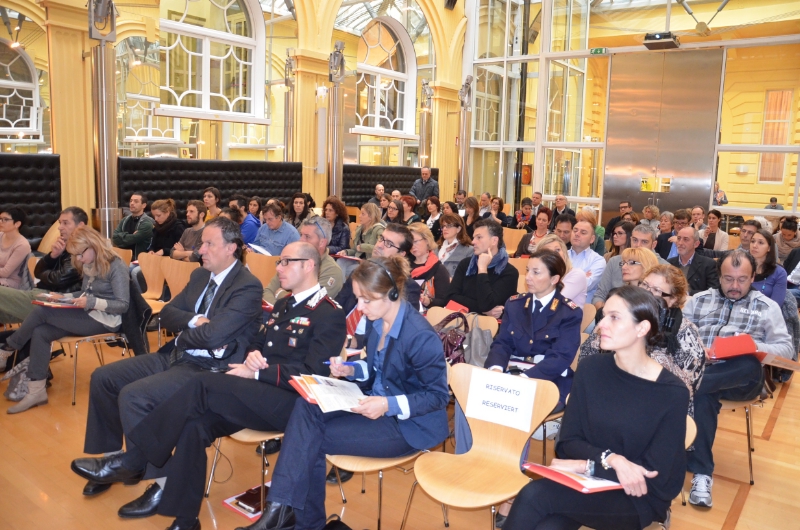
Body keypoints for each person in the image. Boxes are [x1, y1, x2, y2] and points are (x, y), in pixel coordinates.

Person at [107, 241, 347, 529]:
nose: (278, 268)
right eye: (279, 262)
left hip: (293, 406)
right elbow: (259, 341)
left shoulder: (329, 312)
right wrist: (252, 355)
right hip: (260, 397)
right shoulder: (284, 303)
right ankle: (185, 520)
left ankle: (136, 457)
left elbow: (313, 373)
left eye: (286, 262)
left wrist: (258, 373)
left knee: (202, 383)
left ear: (308, 266)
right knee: (194, 425)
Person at [234, 256, 449, 530]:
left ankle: (289, 516)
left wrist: (387, 404)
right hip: (371, 403)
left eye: (366, 300)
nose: (359, 307)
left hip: (407, 425)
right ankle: (283, 512)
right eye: (358, 298)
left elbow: (437, 397)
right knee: (306, 407)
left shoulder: (420, 336)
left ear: (393, 294)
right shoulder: (377, 321)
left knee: (308, 439)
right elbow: (377, 368)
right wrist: (351, 369)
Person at [68, 217, 262, 501]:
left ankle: (161, 481)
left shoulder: (247, 286)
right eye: (202, 243)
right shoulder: (200, 276)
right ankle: (114, 461)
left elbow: (214, 336)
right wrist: (195, 320)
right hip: (176, 355)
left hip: (208, 368)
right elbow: (168, 314)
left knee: (134, 396)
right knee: (104, 378)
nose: (200, 250)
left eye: (209, 244)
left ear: (231, 248)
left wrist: (184, 335)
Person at [503, 286, 690, 530]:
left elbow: (658, 478)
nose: (601, 325)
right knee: (547, 526)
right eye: (603, 316)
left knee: (534, 495)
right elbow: (567, 442)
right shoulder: (591, 368)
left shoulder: (671, 392)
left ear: (642, 328)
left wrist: (587, 465)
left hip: (636, 497)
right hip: (587, 482)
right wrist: (612, 460)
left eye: (615, 317)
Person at [683, 250, 793, 508]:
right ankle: (702, 473)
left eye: (742, 279)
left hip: (742, 380)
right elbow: (679, 335)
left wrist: (752, 345)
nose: (735, 285)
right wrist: (696, 348)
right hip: (704, 373)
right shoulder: (698, 300)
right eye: (728, 279)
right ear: (719, 277)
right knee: (703, 396)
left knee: (747, 363)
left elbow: (787, 349)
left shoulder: (767, 307)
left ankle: (684, 387)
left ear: (753, 277)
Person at [0, 226, 130, 413]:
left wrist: (91, 302)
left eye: (80, 254)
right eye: (76, 255)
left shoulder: (116, 265)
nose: (79, 259)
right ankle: (36, 391)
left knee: (42, 312)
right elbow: (84, 293)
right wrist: (63, 297)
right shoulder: (89, 261)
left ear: (93, 245)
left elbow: (123, 305)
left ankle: (8, 347)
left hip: (107, 320)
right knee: (41, 332)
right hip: (88, 313)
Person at [582, 265, 705, 417]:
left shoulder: (686, 332)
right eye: (645, 285)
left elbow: (687, 387)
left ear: (673, 299)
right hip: (609, 394)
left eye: (656, 290)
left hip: (659, 408)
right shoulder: (621, 318)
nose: (647, 292)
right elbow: (586, 355)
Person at [486, 249, 583, 406]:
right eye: (527, 270)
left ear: (554, 279)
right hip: (511, 371)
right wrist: (496, 369)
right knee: (472, 400)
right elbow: (502, 343)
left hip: (547, 379)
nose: (528, 277)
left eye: (536, 272)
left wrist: (525, 379)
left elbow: (560, 357)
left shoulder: (568, 312)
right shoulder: (514, 304)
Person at [0, 207, 86, 325]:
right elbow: (37, 272)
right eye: (60, 223)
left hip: (55, 299)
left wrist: (45, 274)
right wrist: (52, 256)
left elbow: (59, 279)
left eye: (65, 223)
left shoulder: (81, 250)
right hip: (40, 293)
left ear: (80, 225)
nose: (60, 227)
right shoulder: (63, 245)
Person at [438, 219, 518, 317]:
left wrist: (482, 270)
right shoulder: (466, 264)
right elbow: (450, 297)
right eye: (473, 237)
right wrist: (484, 311)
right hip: (462, 320)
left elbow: (486, 304)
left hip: (490, 325)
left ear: (494, 241)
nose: (473, 242)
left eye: (479, 237)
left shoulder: (509, 273)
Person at [263, 217, 344, 305]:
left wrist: (280, 294)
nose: (301, 240)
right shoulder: (291, 260)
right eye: (301, 235)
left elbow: (309, 304)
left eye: (307, 237)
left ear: (322, 242)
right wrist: (278, 309)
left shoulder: (332, 271)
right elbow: (268, 291)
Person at [593, 224, 667, 311]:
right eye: (635, 240)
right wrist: (606, 313)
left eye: (644, 242)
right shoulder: (614, 261)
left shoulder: (664, 268)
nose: (638, 245)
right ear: (630, 239)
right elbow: (599, 295)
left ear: (654, 244)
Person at [408, 223, 451, 311]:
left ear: (427, 240)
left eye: (415, 241)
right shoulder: (404, 266)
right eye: (410, 243)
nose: (412, 246)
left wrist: (428, 301)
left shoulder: (439, 269)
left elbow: (444, 301)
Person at [537, 234, 587, 306]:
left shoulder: (577, 275)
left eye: (557, 250)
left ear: (564, 253)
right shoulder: (540, 276)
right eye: (548, 251)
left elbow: (554, 302)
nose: (555, 254)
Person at [667, 227, 720, 295]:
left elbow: (713, 292)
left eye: (686, 239)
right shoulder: (669, 264)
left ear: (696, 244)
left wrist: (686, 293)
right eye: (679, 238)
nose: (680, 243)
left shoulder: (708, 265)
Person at [568, 220, 606, 301]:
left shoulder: (598, 260)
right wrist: (582, 276)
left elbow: (586, 285)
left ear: (592, 239)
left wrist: (563, 276)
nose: (577, 234)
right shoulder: (561, 255)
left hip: (583, 307)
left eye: (583, 232)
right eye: (575, 231)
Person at [112, 192, 154, 259]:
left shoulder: (147, 222)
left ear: (143, 205)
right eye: (131, 201)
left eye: (136, 201)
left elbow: (135, 238)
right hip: (123, 258)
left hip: (139, 260)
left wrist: (121, 236)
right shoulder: (124, 220)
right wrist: (131, 235)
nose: (132, 203)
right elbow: (114, 238)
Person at [750, 229, 786, 306]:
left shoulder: (779, 273)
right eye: (752, 241)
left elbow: (776, 306)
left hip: (766, 312)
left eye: (760, 243)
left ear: (769, 248)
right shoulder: (741, 267)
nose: (754, 246)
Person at [0, 207, 31, 289]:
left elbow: (5, 273)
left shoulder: (22, 245)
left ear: (17, 224)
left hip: (11, 281)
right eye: (0, 219)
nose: (0, 222)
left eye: (5, 219)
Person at [437, 212, 473, 277]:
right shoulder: (436, 248)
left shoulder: (469, 251)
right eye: (443, 226)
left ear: (458, 229)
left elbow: (468, 276)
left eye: (449, 225)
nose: (445, 228)